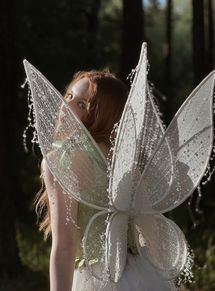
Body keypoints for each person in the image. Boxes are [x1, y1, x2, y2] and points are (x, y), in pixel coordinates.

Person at [36, 70, 175, 291]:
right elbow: (151, 235)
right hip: (140, 274)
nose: (66, 106)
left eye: (82, 105)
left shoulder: (61, 161)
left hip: (96, 279)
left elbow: (65, 246)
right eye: (69, 96)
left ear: (104, 116)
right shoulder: (124, 162)